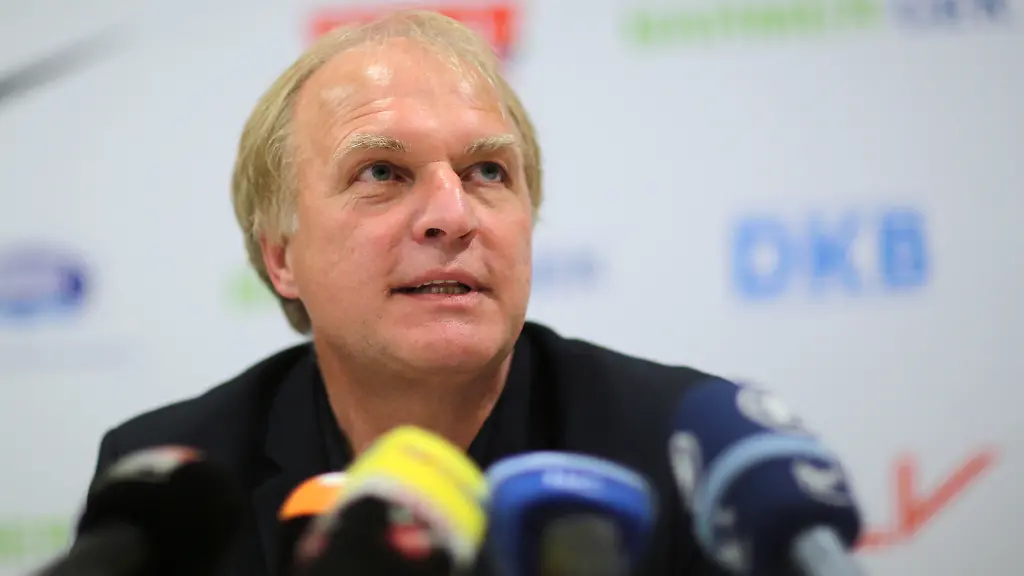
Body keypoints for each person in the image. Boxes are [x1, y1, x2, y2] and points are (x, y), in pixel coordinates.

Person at [84, 10, 722, 576]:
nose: (454, 215)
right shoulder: (170, 490)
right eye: (382, 172)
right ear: (281, 257)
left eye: (488, 171)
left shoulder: (691, 454)